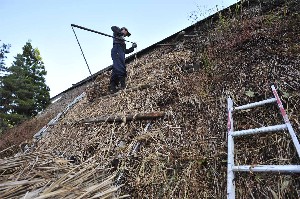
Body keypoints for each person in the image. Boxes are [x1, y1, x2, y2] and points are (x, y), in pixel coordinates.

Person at [109, 26, 137, 93]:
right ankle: (123, 85)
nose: (126, 35)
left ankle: (112, 87)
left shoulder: (123, 41)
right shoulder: (117, 32)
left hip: (121, 52)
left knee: (116, 69)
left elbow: (125, 51)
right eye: (126, 33)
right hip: (116, 50)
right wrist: (121, 33)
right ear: (124, 30)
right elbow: (112, 27)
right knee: (120, 66)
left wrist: (132, 47)